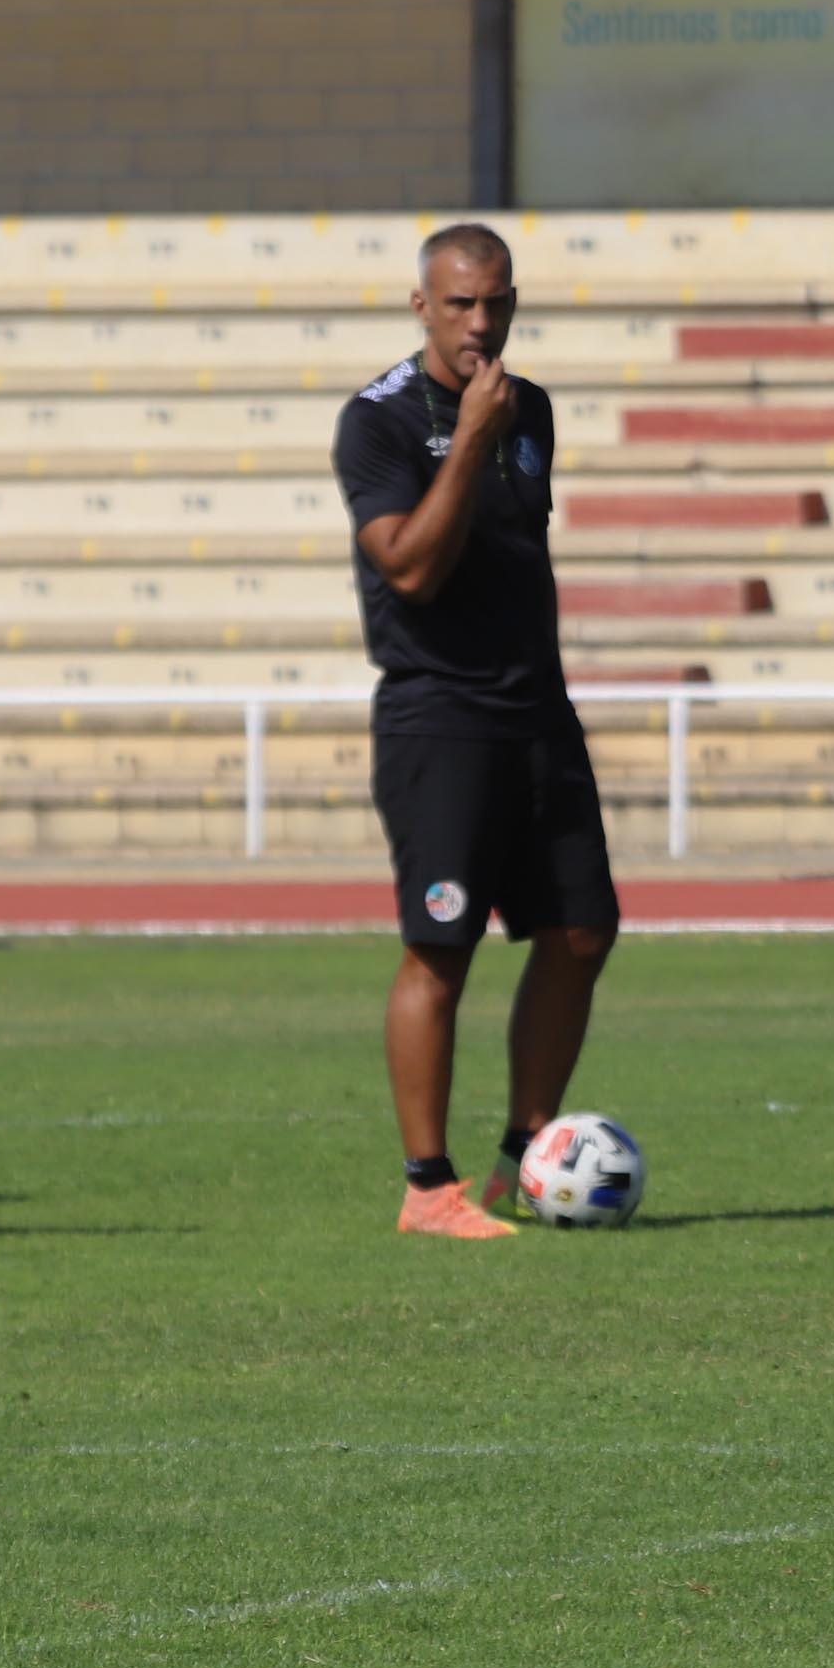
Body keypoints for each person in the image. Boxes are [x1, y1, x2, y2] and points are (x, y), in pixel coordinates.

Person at [331, 223, 619, 1241]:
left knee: (584, 930)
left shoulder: (529, 404)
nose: (481, 322)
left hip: (538, 712)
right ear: (422, 306)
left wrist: (495, 427)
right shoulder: (376, 423)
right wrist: (472, 443)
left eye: (496, 301)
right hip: (439, 720)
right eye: (460, 304)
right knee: (438, 949)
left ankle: (524, 1159)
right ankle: (428, 1188)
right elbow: (410, 566)